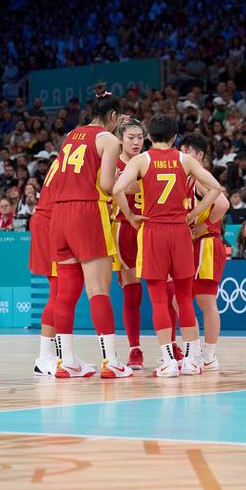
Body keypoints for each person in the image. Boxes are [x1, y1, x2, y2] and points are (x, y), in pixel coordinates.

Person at [113, 115, 223, 377]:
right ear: (175, 137)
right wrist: (194, 213)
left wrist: (129, 216)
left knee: (159, 300)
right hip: (180, 232)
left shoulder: (142, 160)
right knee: (184, 298)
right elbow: (216, 188)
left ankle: (167, 362)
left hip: (153, 231)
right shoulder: (184, 160)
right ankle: (191, 361)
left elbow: (117, 188)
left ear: (149, 136)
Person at [48, 92, 131, 379]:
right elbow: (107, 184)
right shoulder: (108, 139)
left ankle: (66, 361)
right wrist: (129, 184)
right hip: (86, 212)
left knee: (65, 293)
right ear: (112, 116)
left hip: (59, 215)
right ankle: (111, 361)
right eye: (118, 119)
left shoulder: (70, 135)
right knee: (98, 289)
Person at [181, 133, 230, 372]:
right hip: (193, 244)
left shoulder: (199, 177)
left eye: (188, 151)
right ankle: (194, 351)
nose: (183, 155)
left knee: (206, 301)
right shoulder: (187, 177)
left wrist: (205, 224)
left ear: (199, 155)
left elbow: (222, 204)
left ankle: (209, 355)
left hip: (207, 243)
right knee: (183, 299)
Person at [112, 117, 151, 371]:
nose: (136, 142)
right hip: (124, 227)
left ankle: (173, 346)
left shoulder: (150, 160)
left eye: (140, 138)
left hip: (151, 226)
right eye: (131, 138)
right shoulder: (111, 162)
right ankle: (134, 348)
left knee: (166, 290)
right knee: (132, 290)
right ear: (120, 139)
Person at [27, 157, 67, 374]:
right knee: (58, 292)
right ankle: (44, 357)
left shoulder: (67, 158)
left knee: (62, 291)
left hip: (52, 221)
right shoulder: (75, 159)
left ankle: (62, 354)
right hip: (49, 223)